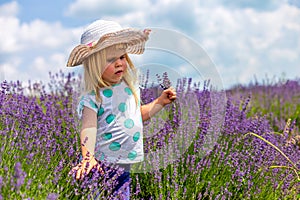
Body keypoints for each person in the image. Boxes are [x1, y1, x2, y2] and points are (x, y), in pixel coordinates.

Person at [67, 19, 176, 199]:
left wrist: (160, 102)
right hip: (100, 163)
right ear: (94, 65)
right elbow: (89, 127)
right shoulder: (94, 96)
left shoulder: (129, 89)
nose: (119, 63)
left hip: (124, 163)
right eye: (111, 59)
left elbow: (136, 116)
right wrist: (87, 158)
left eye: (122, 57)